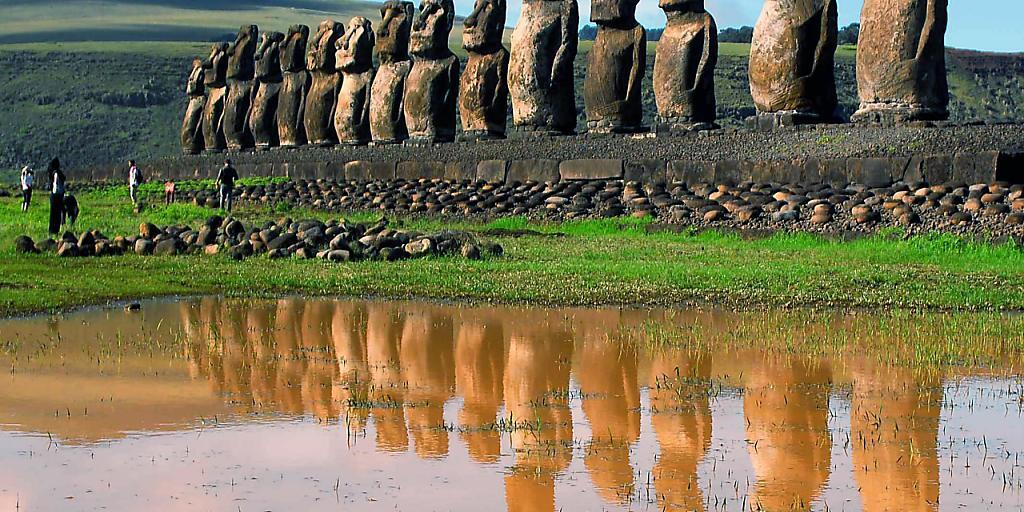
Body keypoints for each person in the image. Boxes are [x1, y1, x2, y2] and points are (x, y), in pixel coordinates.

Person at [47, 158, 66, 235]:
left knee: (54, 213)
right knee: (56, 213)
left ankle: (53, 230)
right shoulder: (57, 173)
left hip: (55, 195)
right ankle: (54, 230)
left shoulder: (52, 172)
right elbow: (57, 185)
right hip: (57, 195)